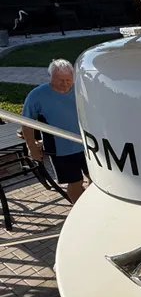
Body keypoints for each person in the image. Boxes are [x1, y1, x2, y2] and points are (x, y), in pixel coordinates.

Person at [21, 59, 87, 203]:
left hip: (86, 144)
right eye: (60, 80)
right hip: (61, 149)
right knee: (75, 181)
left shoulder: (79, 90)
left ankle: (91, 204)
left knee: (96, 178)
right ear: (51, 77)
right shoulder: (37, 96)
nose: (65, 84)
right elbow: (26, 124)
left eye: (68, 80)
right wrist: (31, 147)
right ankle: (79, 208)